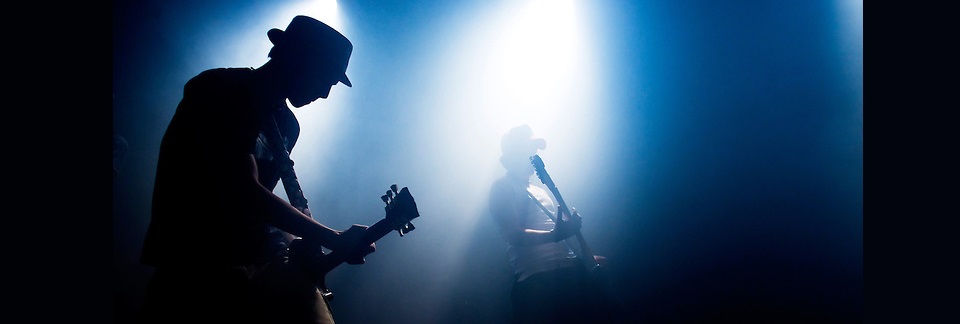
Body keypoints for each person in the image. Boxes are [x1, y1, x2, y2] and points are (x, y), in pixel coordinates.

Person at [139, 16, 378, 324]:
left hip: (241, 275)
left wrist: (294, 247)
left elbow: (259, 208)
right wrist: (333, 238)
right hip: (188, 274)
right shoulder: (219, 90)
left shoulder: (287, 125)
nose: (325, 94)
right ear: (298, 57)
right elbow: (243, 191)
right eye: (325, 79)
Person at [488, 124, 620, 324]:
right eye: (529, 149)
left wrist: (585, 257)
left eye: (535, 150)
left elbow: (561, 234)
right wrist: (554, 234)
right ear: (514, 153)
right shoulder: (502, 186)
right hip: (537, 283)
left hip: (568, 276)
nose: (534, 155)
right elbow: (512, 234)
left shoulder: (541, 189)